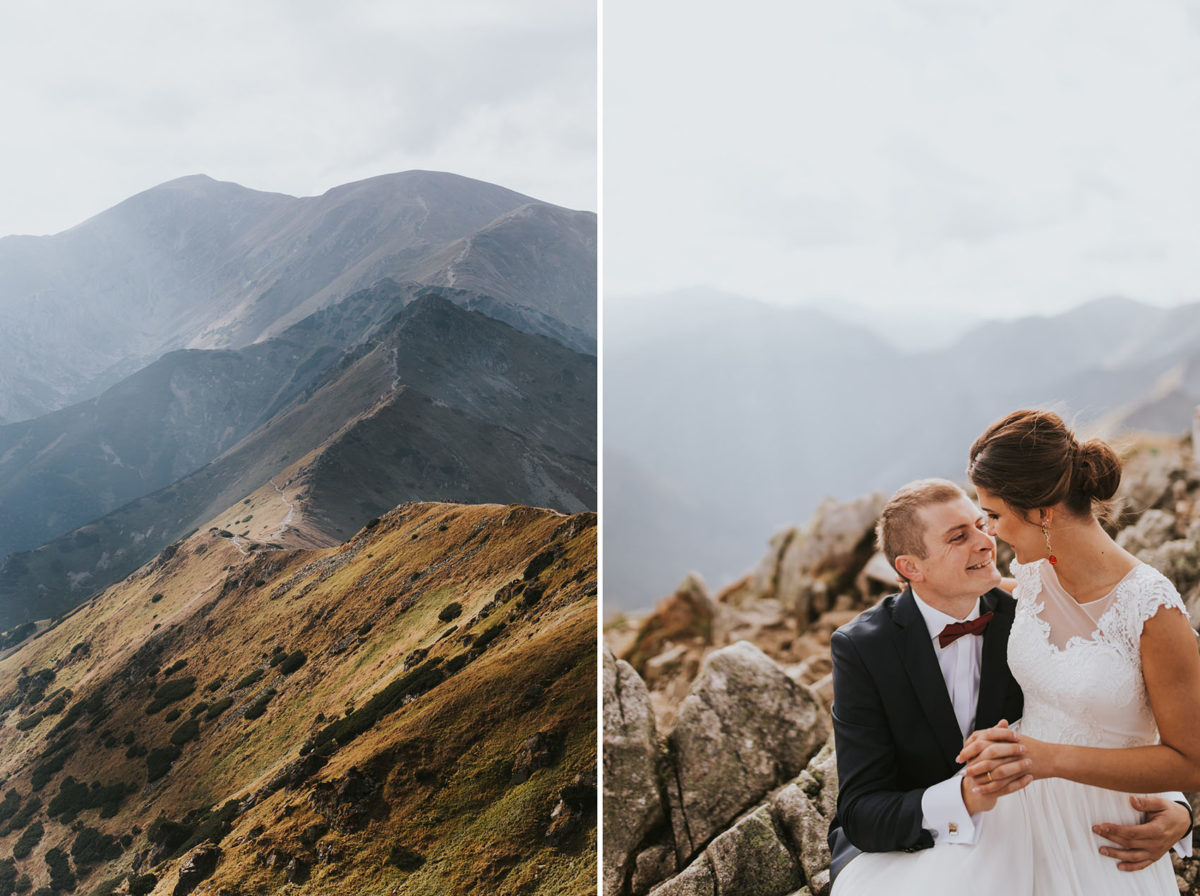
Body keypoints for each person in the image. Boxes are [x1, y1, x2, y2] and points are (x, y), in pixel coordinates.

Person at [828, 453, 1194, 893]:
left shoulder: (1027, 614)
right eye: (959, 537)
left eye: (983, 524)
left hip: (1051, 822)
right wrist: (961, 799)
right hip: (921, 842)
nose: (987, 541)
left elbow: (1099, 709)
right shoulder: (864, 648)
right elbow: (861, 810)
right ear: (910, 568)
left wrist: (1174, 805)